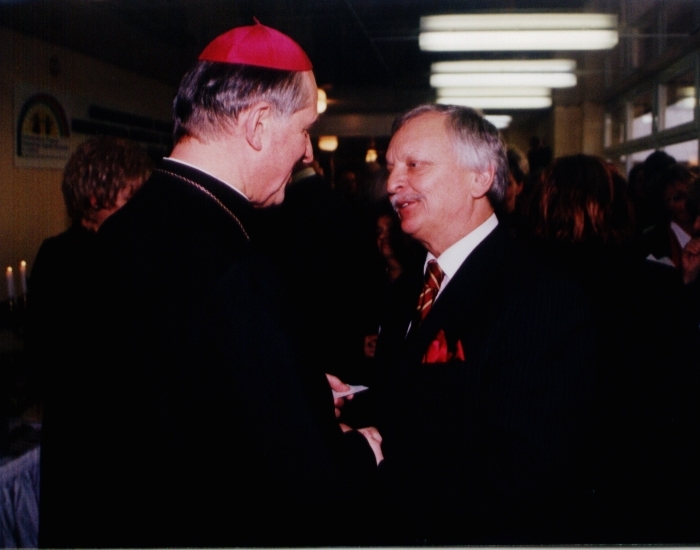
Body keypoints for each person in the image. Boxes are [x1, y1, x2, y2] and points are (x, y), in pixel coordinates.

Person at [38, 21, 381, 548]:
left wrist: (299, 390)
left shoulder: (114, 236)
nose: (309, 153)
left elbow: (168, 402)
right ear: (259, 124)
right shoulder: (237, 265)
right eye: (304, 129)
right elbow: (300, 488)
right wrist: (362, 450)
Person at [371, 104, 597, 544]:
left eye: (414, 165)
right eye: (391, 167)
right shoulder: (406, 290)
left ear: (480, 177)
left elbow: (523, 472)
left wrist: (379, 470)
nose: (393, 184)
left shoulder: (540, 295)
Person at [528, 154, 700, 542]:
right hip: (645, 482)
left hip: (555, 492)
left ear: (547, 206)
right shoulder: (660, 285)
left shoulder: (527, 290)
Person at [24, 136, 152, 404]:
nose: (140, 208)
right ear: (94, 200)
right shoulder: (61, 257)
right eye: (130, 198)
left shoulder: (132, 249)